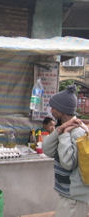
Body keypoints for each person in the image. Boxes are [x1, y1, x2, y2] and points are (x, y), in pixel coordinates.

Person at [43, 85, 89, 217]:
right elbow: (47, 150)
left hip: (75, 197)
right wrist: (60, 130)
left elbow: (68, 163)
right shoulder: (64, 129)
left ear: (62, 110)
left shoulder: (77, 133)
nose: (51, 110)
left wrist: (64, 135)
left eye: (54, 107)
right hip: (68, 194)